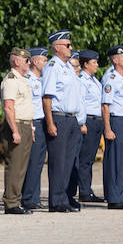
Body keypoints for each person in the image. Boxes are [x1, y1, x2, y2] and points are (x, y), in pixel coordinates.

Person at [41, 30, 84, 213]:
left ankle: (64, 198)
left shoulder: (67, 68)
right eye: (67, 45)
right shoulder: (53, 67)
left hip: (72, 118)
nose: (70, 48)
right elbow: (47, 98)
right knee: (58, 161)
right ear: (57, 47)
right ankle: (56, 201)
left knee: (68, 162)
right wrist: (50, 123)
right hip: (59, 117)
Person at [100, 45, 123, 209]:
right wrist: (107, 128)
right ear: (115, 60)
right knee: (114, 161)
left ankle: (118, 194)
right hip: (117, 122)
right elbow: (105, 105)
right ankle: (113, 198)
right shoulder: (111, 79)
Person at [68, 50, 105, 205]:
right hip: (88, 120)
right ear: (85, 64)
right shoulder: (82, 80)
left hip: (97, 121)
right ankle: (84, 191)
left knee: (89, 158)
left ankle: (86, 188)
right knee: (84, 159)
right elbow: (81, 102)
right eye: (94, 62)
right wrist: (82, 123)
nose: (97, 65)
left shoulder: (94, 81)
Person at [0, 48, 34, 214]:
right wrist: (15, 130)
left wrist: (31, 128)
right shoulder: (11, 80)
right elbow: (8, 107)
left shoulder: (23, 80)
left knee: (22, 166)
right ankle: (11, 202)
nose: (29, 63)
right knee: (15, 165)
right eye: (26, 60)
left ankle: (16, 200)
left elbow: (26, 106)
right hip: (16, 124)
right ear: (16, 61)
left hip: (25, 124)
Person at [20, 48, 48, 210]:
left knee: (38, 161)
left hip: (42, 122)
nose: (46, 63)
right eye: (44, 60)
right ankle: (28, 197)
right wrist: (30, 125)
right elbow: (27, 104)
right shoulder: (28, 80)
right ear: (35, 62)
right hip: (33, 122)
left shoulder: (42, 79)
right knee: (32, 161)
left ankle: (34, 196)